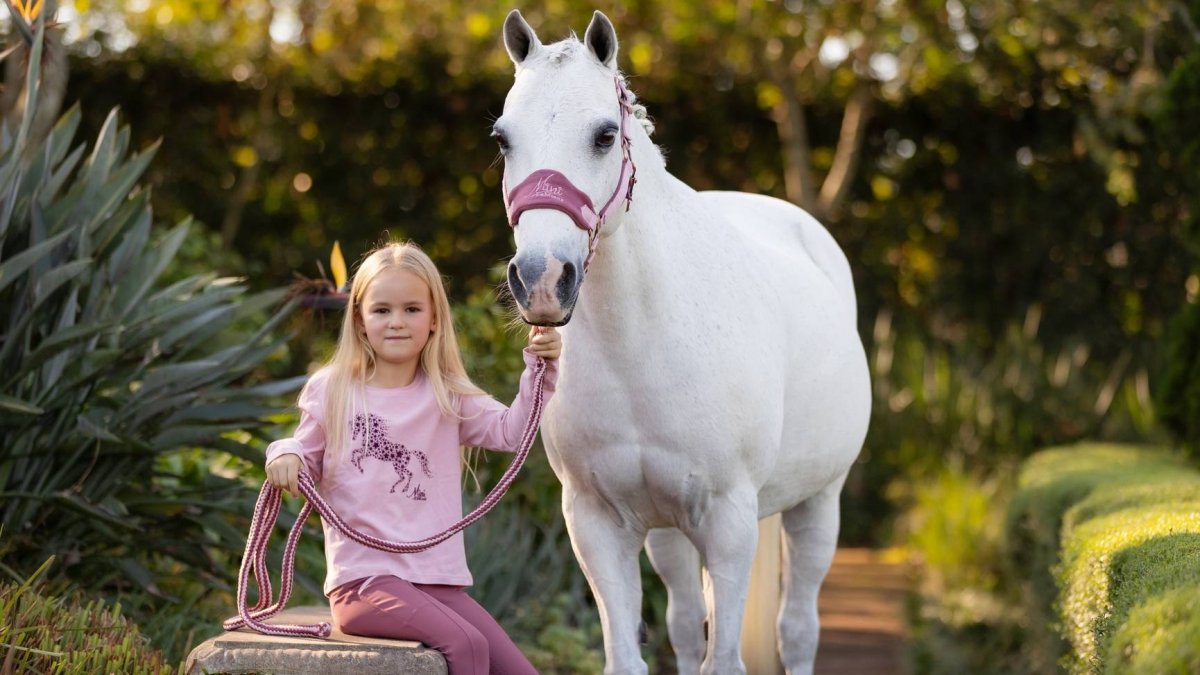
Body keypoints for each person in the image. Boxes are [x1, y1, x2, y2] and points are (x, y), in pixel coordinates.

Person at [264, 241, 560, 675]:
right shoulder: (333, 389)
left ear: (434, 318)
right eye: (382, 310)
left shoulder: (447, 393)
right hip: (364, 584)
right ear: (361, 321)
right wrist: (284, 453)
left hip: (435, 584)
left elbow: (512, 431)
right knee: (467, 645)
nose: (397, 322)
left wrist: (539, 367)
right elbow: (301, 455)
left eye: (411, 310)